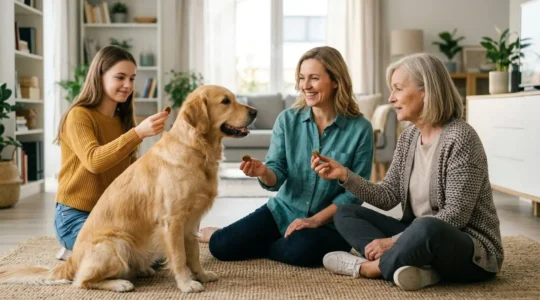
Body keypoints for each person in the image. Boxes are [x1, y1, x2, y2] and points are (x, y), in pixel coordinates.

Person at [312, 53, 504, 290]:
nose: (391, 98)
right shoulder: (409, 137)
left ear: (426, 92)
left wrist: (392, 242)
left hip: (471, 249)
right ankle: (420, 269)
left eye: (398, 89)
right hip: (418, 237)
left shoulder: (461, 138)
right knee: (345, 212)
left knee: (426, 226)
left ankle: (369, 267)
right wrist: (344, 175)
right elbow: (387, 196)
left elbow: (455, 217)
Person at [198, 46, 374, 267]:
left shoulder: (360, 129)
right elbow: (276, 177)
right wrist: (263, 171)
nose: (305, 86)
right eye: (301, 78)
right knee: (220, 246)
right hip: (283, 211)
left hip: (329, 223)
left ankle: (264, 243)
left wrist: (314, 220)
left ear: (336, 81)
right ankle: (258, 240)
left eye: (314, 78)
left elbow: (354, 193)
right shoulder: (287, 120)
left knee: (301, 250)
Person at [53, 46, 169, 259]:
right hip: (74, 215)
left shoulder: (123, 120)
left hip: (113, 213)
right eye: (120, 77)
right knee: (119, 257)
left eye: (132, 78)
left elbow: (130, 174)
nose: (128, 85)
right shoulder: (78, 116)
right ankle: (78, 253)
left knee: (160, 252)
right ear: (99, 76)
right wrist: (138, 133)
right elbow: (94, 161)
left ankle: (83, 254)